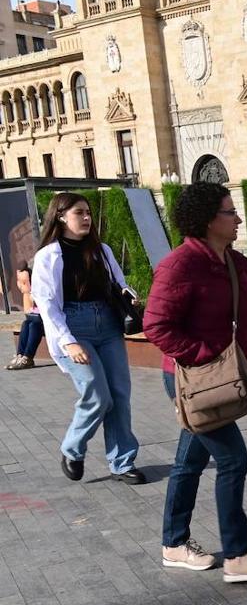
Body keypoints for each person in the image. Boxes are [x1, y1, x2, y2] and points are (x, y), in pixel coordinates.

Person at [143, 182, 247, 582]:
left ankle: (173, 543)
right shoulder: (180, 265)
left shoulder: (235, 262)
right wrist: (205, 356)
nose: (237, 217)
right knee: (232, 459)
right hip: (191, 379)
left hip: (225, 376)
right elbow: (156, 326)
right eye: (229, 211)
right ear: (207, 220)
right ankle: (237, 557)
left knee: (189, 460)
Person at [31, 193, 146, 484]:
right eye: (79, 212)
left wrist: (129, 297)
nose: (86, 218)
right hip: (74, 326)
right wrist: (67, 341)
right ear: (60, 216)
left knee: (120, 395)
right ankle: (72, 448)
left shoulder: (102, 250)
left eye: (88, 213)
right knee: (97, 395)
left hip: (107, 325)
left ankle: (121, 462)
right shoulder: (49, 255)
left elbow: (119, 284)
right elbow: (46, 303)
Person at [7, 266, 43, 370]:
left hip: (48, 322)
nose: (21, 286)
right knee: (26, 323)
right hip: (38, 319)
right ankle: (20, 355)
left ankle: (28, 358)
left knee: (34, 325)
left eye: (24, 283)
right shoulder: (30, 295)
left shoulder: (41, 291)